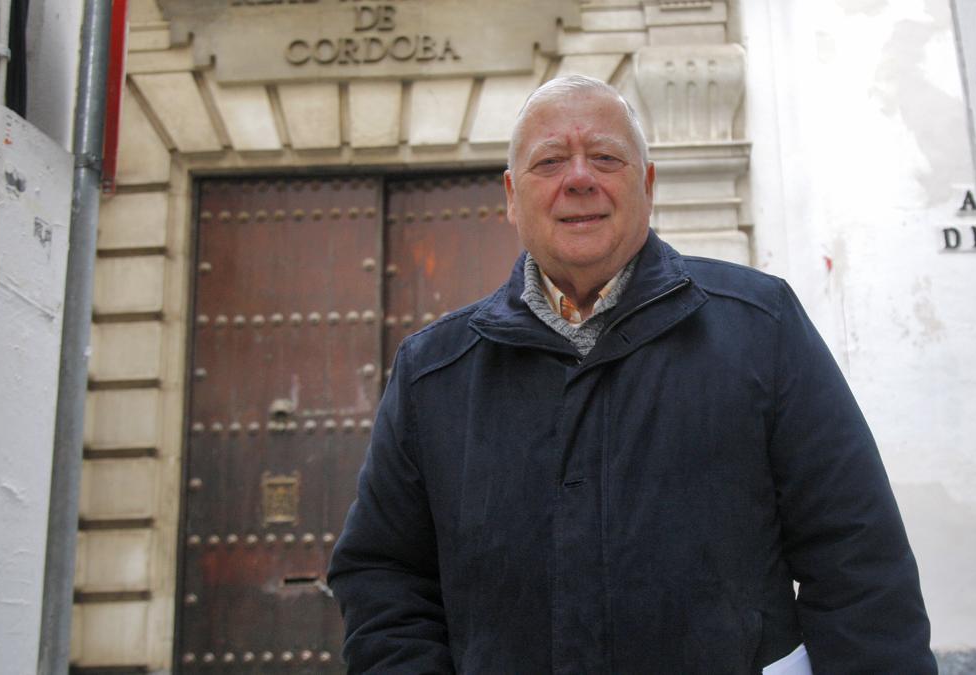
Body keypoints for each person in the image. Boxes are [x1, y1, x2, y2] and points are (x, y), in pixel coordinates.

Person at [328, 75, 936, 674]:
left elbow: (856, 551)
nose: (579, 179)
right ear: (512, 196)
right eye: (549, 162)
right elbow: (385, 575)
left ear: (646, 183)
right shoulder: (433, 371)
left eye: (605, 157)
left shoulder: (760, 327)